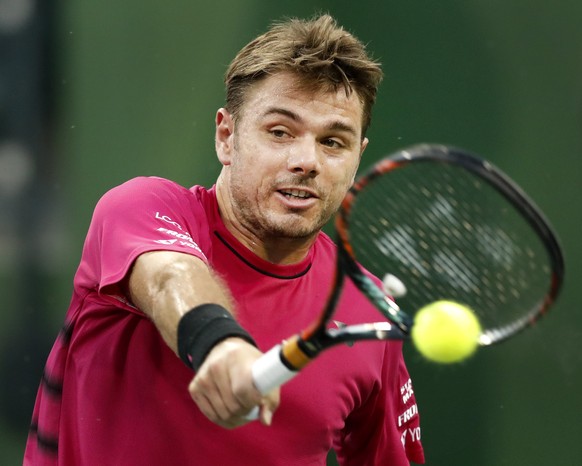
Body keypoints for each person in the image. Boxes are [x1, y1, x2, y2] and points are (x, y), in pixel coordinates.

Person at [24, 14, 425, 465]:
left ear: (358, 157)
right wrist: (220, 345)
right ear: (226, 136)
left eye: (333, 142)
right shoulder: (139, 207)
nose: (306, 160)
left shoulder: (367, 312)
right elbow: (168, 277)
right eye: (280, 132)